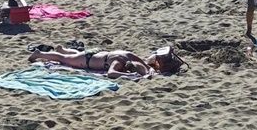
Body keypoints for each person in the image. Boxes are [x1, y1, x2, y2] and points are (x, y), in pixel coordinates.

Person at [27, 45, 184, 79]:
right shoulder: (119, 61)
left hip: (96, 55)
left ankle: (63, 49)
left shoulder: (129, 55)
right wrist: (130, 76)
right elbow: (111, 73)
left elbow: (143, 63)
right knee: (63, 60)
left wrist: (148, 71)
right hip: (88, 60)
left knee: (73, 55)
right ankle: (40, 53)